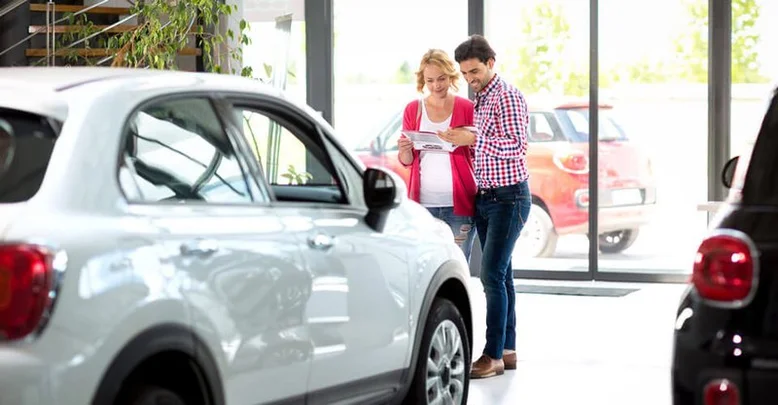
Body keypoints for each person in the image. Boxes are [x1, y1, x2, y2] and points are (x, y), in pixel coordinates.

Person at [438, 35, 532, 379]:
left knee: (490, 274)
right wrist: (459, 138)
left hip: (510, 197)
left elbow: (517, 147)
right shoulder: (479, 98)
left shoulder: (506, 96)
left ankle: (491, 355)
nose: (469, 79)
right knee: (503, 275)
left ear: (491, 63)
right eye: (464, 74)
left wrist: (473, 138)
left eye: (474, 71)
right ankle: (507, 351)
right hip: (486, 197)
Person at [397, 48, 478, 262]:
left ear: (450, 76)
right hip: (422, 203)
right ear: (423, 81)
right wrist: (404, 151)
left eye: (441, 79)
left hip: (459, 203)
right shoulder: (413, 109)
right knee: (424, 264)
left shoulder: (467, 108)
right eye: (430, 80)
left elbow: (479, 152)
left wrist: (465, 139)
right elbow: (407, 161)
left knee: (458, 263)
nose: (436, 86)